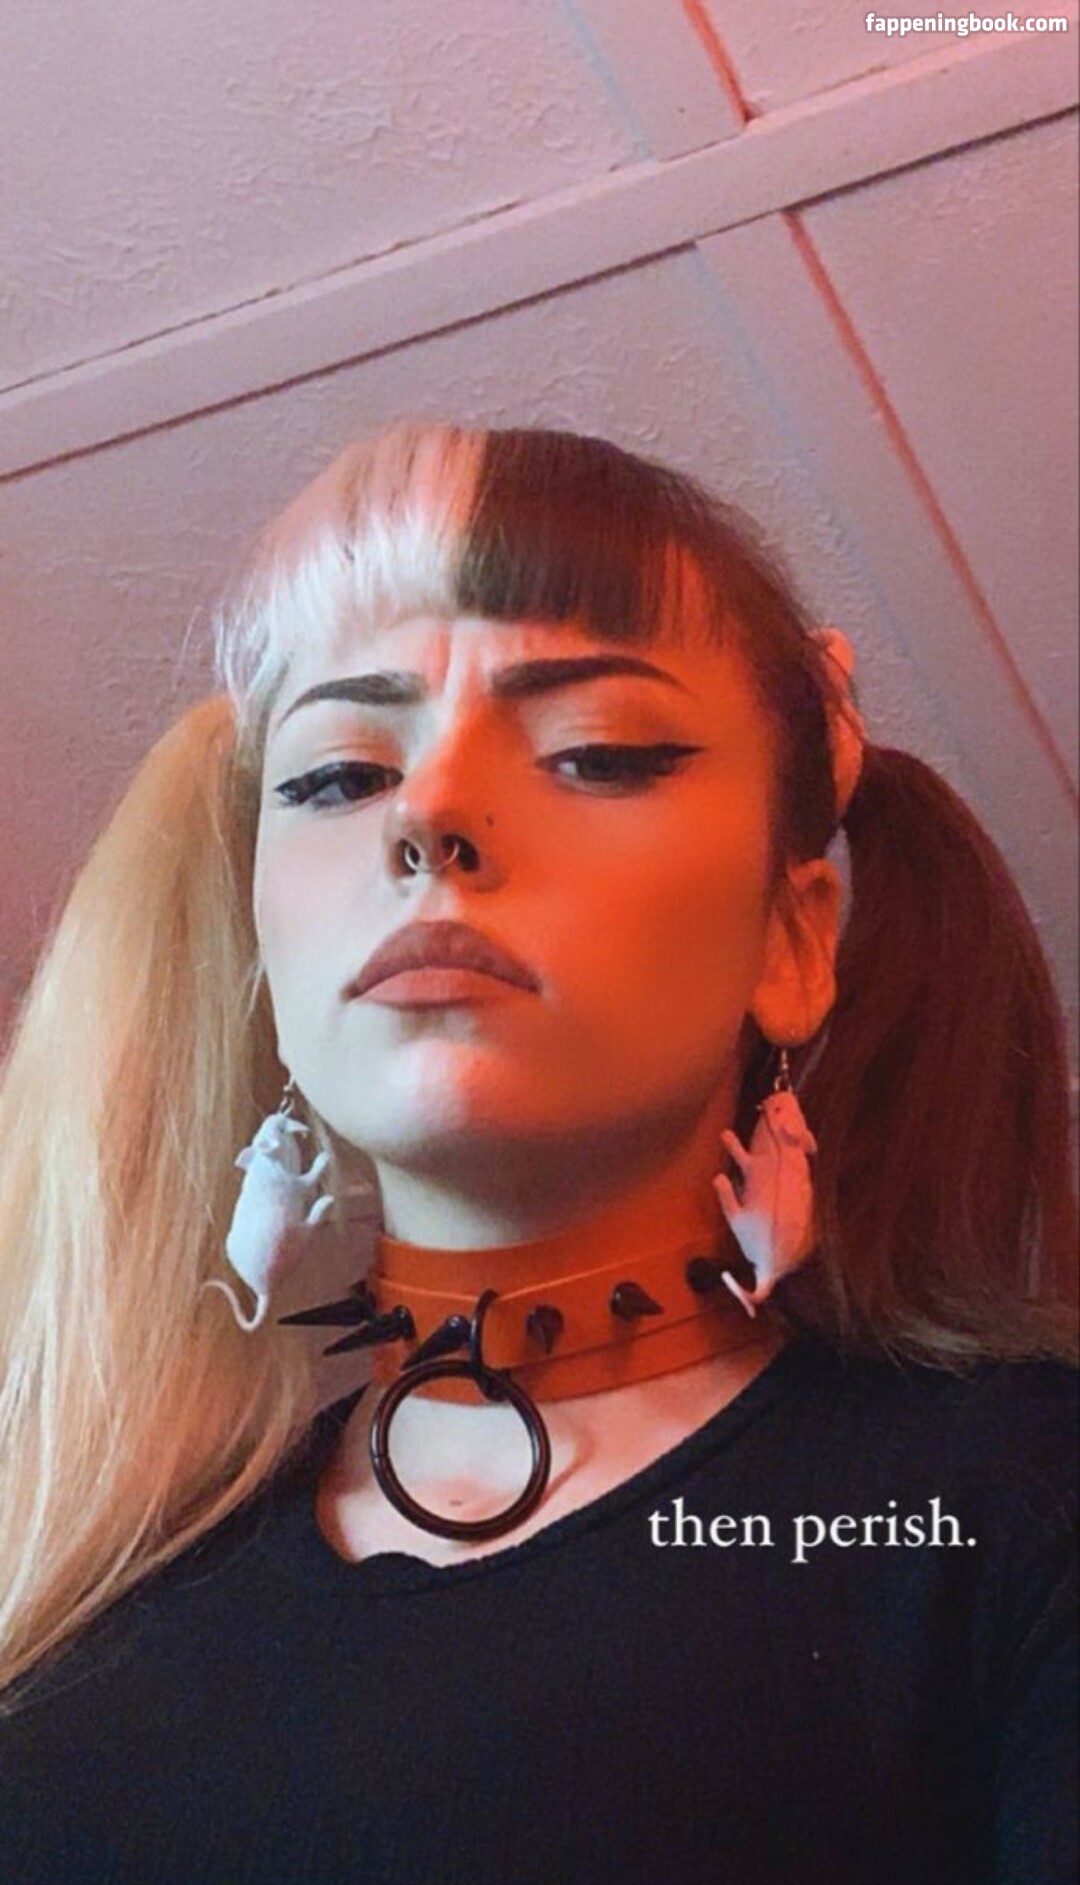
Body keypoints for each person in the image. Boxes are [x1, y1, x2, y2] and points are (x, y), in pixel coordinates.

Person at [0, 420, 1075, 1884]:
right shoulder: (83, 1607)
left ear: (793, 938)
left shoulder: (1008, 1509)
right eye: (335, 777)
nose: (431, 811)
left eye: (597, 753)